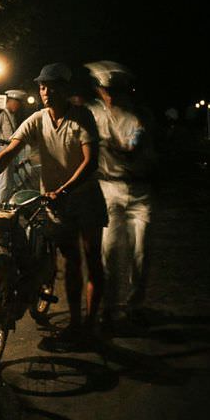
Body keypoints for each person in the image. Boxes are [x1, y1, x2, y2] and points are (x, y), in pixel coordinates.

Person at [0, 63, 108, 342]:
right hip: (55, 202)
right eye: (42, 86)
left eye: (52, 87)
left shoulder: (82, 117)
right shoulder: (38, 119)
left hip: (84, 199)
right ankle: (75, 322)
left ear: (64, 90)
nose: (45, 92)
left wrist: (65, 190)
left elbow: (90, 162)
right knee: (70, 260)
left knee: (91, 259)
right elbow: (8, 152)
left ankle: (88, 323)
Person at [84, 62, 156, 330]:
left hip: (139, 190)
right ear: (99, 90)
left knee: (141, 251)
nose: (111, 95)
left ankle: (135, 304)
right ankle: (109, 308)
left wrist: (106, 144)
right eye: (106, 90)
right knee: (110, 251)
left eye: (116, 90)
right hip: (108, 189)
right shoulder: (92, 114)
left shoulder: (140, 116)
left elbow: (132, 150)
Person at [0, 89, 25, 204]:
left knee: (9, 182)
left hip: (9, 149)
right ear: (11, 102)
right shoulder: (0, 113)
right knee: (3, 181)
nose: (18, 107)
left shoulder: (12, 116)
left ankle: (4, 205)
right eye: (17, 104)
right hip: (1, 149)